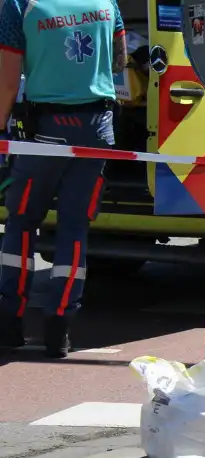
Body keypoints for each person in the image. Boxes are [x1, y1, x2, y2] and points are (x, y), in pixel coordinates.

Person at [0, 0, 126, 358]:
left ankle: (10, 321)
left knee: (22, 221)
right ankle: (60, 328)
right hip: (98, 129)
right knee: (74, 227)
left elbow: (8, 82)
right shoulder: (106, 3)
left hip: (46, 131)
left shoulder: (20, 5)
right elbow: (119, 61)